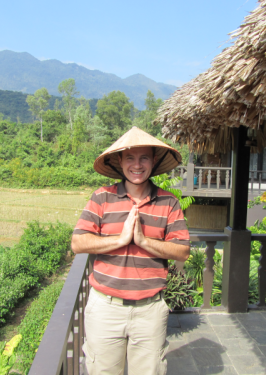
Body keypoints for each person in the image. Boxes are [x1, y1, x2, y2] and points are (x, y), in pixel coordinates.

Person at [72, 126, 190, 375]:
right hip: (106, 308)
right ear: (119, 161)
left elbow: (182, 251)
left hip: (150, 310)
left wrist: (144, 241)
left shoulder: (169, 202)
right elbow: (78, 242)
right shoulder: (102, 198)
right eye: (130, 158)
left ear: (154, 161)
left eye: (144, 157)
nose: (137, 165)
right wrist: (121, 239)